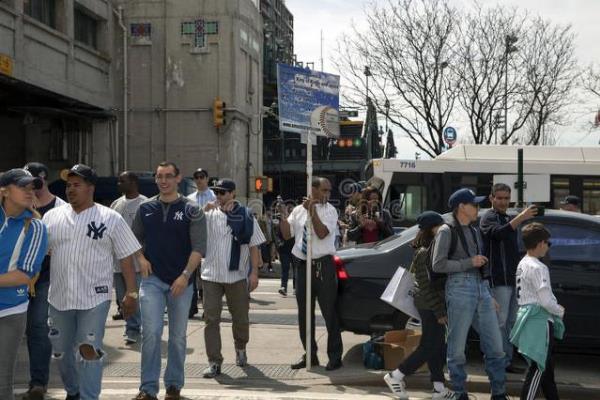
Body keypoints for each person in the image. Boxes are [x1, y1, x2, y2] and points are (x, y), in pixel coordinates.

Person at [43, 164, 140, 400]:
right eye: (68, 185)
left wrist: (131, 293)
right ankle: (73, 391)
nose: (70, 190)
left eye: (77, 185)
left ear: (91, 188)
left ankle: (88, 396)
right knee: (61, 352)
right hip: (59, 297)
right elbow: (41, 252)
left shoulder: (110, 218)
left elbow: (126, 256)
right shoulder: (52, 217)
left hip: (95, 297)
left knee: (89, 349)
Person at [132, 161, 207, 400]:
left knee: (177, 336)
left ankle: (174, 385)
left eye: (168, 176)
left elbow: (199, 248)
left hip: (181, 282)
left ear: (178, 178)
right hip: (152, 281)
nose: (163, 181)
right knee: (151, 332)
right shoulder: (145, 208)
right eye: (159, 177)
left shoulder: (192, 209)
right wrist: (141, 259)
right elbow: (133, 242)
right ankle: (148, 388)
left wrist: (185, 276)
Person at [432, 188, 507, 400]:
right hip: (459, 287)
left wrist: (487, 293)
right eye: (474, 204)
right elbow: (437, 265)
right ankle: (459, 392)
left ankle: (499, 393)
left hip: (479, 288)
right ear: (461, 207)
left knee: (496, 347)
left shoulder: (474, 231)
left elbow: (479, 268)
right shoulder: (446, 231)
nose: (478, 208)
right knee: (457, 348)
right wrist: (468, 263)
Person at [200, 178, 265, 378]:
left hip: (236, 275)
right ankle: (214, 361)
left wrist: (254, 273)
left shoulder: (246, 216)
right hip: (211, 274)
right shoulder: (209, 214)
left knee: (240, 318)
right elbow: (190, 226)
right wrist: (204, 210)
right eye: (216, 192)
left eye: (223, 192)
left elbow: (254, 246)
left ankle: (241, 348)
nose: (218, 196)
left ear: (232, 194)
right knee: (211, 319)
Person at [383, 211, 451, 400]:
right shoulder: (424, 253)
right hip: (429, 305)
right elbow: (425, 287)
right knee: (429, 346)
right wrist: (439, 312)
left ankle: (438, 388)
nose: (445, 229)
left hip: (431, 305)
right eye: (441, 226)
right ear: (433, 228)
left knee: (435, 345)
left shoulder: (432, 249)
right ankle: (396, 375)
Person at [279, 177, 344, 371]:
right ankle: (310, 354)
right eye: (324, 190)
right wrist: (283, 216)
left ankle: (334, 356)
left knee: (329, 312)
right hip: (302, 265)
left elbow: (322, 233)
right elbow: (287, 234)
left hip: (323, 265)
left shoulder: (330, 211)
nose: (327, 194)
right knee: (304, 314)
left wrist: (312, 211)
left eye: (329, 191)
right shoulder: (298, 211)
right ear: (313, 189)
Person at [0, 169, 48, 400]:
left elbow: (24, 275)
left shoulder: (35, 227)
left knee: (2, 381)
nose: (30, 192)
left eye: (32, 187)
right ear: (5, 191)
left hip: (10, 311)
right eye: (23, 187)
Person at [480, 183, 537, 374]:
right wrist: (521, 217)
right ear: (492, 198)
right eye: (500, 198)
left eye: (506, 198)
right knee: (499, 322)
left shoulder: (507, 217)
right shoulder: (488, 217)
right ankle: (496, 361)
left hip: (513, 280)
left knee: (512, 321)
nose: (504, 202)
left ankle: (506, 360)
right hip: (498, 280)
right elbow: (497, 234)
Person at [21, 162, 66, 400]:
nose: (32, 187)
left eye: (35, 182)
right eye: (25, 183)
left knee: (38, 327)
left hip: (47, 278)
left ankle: (38, 382)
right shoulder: (17, 206)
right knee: (21, 330)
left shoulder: (61, 208)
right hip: (19, 277)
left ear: (44, 180)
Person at [510, 222, 565, 400]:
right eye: (548, 243)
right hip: (539, 321)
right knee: (538, 367)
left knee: (546, 369)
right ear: (541, 243)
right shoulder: (539, 267)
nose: (548, 247)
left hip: (526, 318)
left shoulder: (522, 263)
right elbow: (545, 300)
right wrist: (559, 310)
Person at [110, 171, 147, 345]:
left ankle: (133, 329)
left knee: (135, 296)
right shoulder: (116, 204)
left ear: (133, 182)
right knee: (121, 298)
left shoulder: (145, 204)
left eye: (122, 181)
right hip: (118, 263)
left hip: (136, 264)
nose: (119, 184)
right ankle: (131, 325)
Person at [186, 168, 216, 317]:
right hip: (192, 242)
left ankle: (207, 309)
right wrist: (205, 209)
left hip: (210, 242)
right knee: (190, 275)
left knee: (207, 278)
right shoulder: (189, 198)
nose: (199, 179)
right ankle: (191, 307)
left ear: (207, 178)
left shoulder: (215, 196)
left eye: (202, 176)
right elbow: (188, 218)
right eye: (196, 177)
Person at [272, 197, 295, 296]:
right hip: (283, 247)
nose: (279, 208)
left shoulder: (292, 217)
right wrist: (277, 244)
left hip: (294, 246)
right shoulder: (276, 218)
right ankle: (283, 287)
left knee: (296, 268)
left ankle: (295, 287)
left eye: (281, 206)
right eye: (278, 206)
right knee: (285, 268)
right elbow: (275, 233)